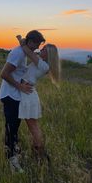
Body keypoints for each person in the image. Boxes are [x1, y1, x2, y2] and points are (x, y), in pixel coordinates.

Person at [0, 30, 45, 173]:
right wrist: (20, 86)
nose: (35, 49)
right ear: (28, 41)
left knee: (14, 128)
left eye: (37, 47)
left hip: (16, 96)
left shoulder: (24, 50)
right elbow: (4, 74)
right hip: (10, 96)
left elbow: (25, 48)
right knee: (11, 129)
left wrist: (22, 42)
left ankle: (13, 155)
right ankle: (12, 162)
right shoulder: (18, 53)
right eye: (34, 46)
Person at [16, 35, 60, 164]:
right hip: (28, 93)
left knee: (33, 127)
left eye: (45, 49)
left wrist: (21, 42)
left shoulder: (43, 65)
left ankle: (40, 154)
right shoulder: (42, 62)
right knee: (33, 126)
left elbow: (29, 53)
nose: (41, 49)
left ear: (49, 54)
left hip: (28, 94)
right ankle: (38, 153)